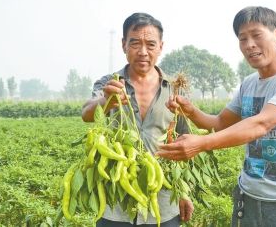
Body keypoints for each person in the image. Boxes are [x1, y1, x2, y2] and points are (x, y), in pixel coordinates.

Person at [157, 6, 276, 226]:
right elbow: (219, 123)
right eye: (242, 39)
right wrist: (191, 111)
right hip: (248, 197)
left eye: (256, 35)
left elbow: (261, 124)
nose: (249, 44)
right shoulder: (249, 83)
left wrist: (201, 144)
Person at [82, 12, 194, 227]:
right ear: (124, 45)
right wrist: (106, 100)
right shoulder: (109, 83)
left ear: (161, 46)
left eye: (150, 44)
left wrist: (184, 191)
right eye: (135, 43)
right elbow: (87, 113)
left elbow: (183, 140)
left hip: (163, 200)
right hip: (115, 201)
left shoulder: (173, 88)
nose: (143, 52)